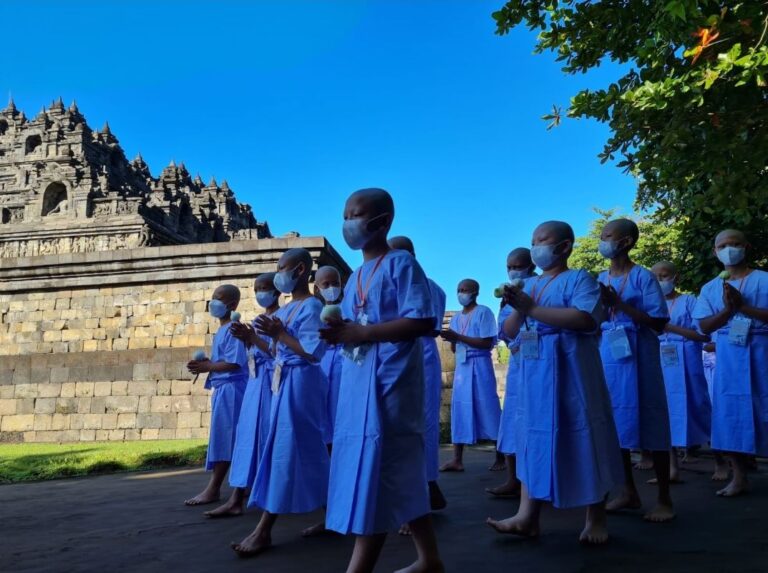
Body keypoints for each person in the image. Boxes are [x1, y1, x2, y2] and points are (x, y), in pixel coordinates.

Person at [320, 188, 443, 573]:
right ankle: (429, 559)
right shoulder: (356, 274)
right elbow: (363, 326)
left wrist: (363, 334)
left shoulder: (401, 264)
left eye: (357, 215)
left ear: (383, 221)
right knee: (397, 467)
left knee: (380, 464)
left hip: (393, 378)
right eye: (345, 214)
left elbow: (423, 322)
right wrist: (343, 332)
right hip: (361, 379)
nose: (348, 223)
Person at [486, 221, 623, 544]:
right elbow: (508, 331)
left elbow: (584, 318)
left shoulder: (580, 279)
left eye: (543, 240)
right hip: (535, 374)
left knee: (584, 435)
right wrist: (520, 308)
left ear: (564, 247)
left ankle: (595, 516)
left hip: (573, 368)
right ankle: (527, 516)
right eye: (532, 240)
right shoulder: (528, 286)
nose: (536, 247)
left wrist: (532, 308)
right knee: (532, 437)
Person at [231, 249, 330, 556]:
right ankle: (333, 512)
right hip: (282, 381)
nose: (278, 275)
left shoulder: (313, 306)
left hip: (302, 382)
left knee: (284, 448)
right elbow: (276, 353)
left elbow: (313, 352)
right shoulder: (284, 311)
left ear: (300, 270)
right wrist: (252, 338)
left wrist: (280, 335)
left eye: (282, 268)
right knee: (305, 449)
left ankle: (264, 529)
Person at [597, 218, 675, 522]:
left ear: (627, 241)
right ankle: (627, 491)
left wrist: (621, 305)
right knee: (614, 423)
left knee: (652, 421)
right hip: (611, 356)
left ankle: (665, 499)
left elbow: (658, 321)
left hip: (641, 355)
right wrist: (605, 308)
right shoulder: (598, 277)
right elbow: (595, 317)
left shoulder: (643, 276)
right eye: (602, 236)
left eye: (609, 236)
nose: (604, 241)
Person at [693, 229, 768, 497]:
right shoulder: (711, 288)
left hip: (762, 350)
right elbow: (703, 325)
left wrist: (743, 307)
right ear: (715, 252)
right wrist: (728, 310)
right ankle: (738, 476)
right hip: (728, 355)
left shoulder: (764, 279)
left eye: (735, 244)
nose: (729, 249)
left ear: (746, 247)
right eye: (723, 245)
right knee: (729, 413)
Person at [204, 273, 279, 518]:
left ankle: (234, 491)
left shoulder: (284, 316)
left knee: (253, 438)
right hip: (256, 384)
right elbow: (252, 355)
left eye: (265, 288)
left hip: (265, 385)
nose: (260, 293)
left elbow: (280, 353)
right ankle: (238, 493)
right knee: (249, 438)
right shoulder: (257, 320)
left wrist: (251, 339)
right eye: (256, 289)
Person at [388, 235, 448, 532]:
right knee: (409, 424)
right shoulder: (423, 284)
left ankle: (421, 490)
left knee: (419, 423)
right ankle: (424, 485)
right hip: (404, 352)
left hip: (416, 350)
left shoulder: (424, 286)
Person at [185, 284, 249, 506]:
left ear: (232, 305)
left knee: (226, 439)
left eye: (218, 298)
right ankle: (244, 486)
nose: (213, 302)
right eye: (212, 298)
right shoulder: (223, 329)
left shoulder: (233, 329)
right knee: (228, 438)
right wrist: (206, 365)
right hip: (223, 390)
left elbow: (234, 363)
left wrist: (208, 367)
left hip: (232, 390)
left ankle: (214, 488)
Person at [651, 261, 712, 483]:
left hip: (686, 360)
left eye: (664, 276)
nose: (659, 282)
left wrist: (669, 328)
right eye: (654, 278)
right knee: (664, 411)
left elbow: (703, 335)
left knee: (697, 405)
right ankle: (672, 467)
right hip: (660, 361)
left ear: (676, 278)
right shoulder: (649, 305)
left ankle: (722, 461)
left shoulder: (689, 301)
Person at [487, 247, 536, 498]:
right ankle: (512, 478)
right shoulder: (506, 296)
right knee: (513, 417)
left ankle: (539, 479)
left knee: (538, 417)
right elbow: (503, 329)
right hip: (519, 360)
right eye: (509, 266)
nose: (513, 270)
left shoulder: (541, 285)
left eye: (518, 265)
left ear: (532, 265)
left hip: (542, 358)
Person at [439, 279, 501, 473]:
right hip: (463, 367)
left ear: (475, 292)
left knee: (487, 406)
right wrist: (452, 340)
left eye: (465, 289)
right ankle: (457, 459)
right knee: (460, 408)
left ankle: (501, 456)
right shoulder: (457, 318)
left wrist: (457, 338)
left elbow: (486, 342)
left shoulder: (483, 312)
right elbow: (454, 346)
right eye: (458, 289)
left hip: (480, 363)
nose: (461, 293)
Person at [315, 265, 345, 447]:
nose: (332, 288)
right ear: (317, 288)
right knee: (321, 414)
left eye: (336, 283)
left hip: (344, 363)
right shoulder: (313, 312)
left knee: (341, 411)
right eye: (326, 284)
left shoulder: (349, 309)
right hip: (321, 365)